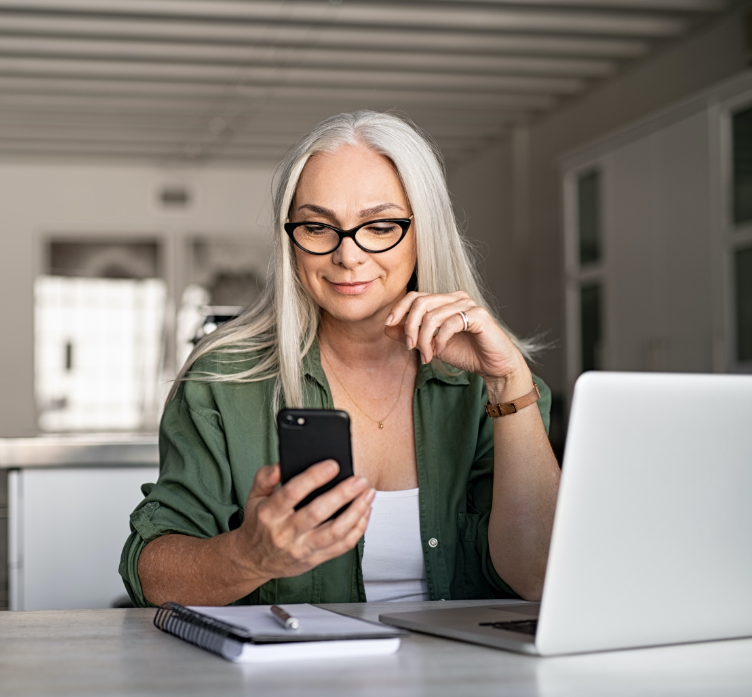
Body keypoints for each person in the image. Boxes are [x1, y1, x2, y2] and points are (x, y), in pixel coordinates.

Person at [119, 111, 560, 607]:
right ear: (291, 240)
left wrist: (508, 384)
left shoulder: (496, 386)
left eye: (379, 226)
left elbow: (539, 577)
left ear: (424, 231)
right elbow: (152, 576)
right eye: (317, 226)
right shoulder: (222, 380)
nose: (347, 256)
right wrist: (249, 556)